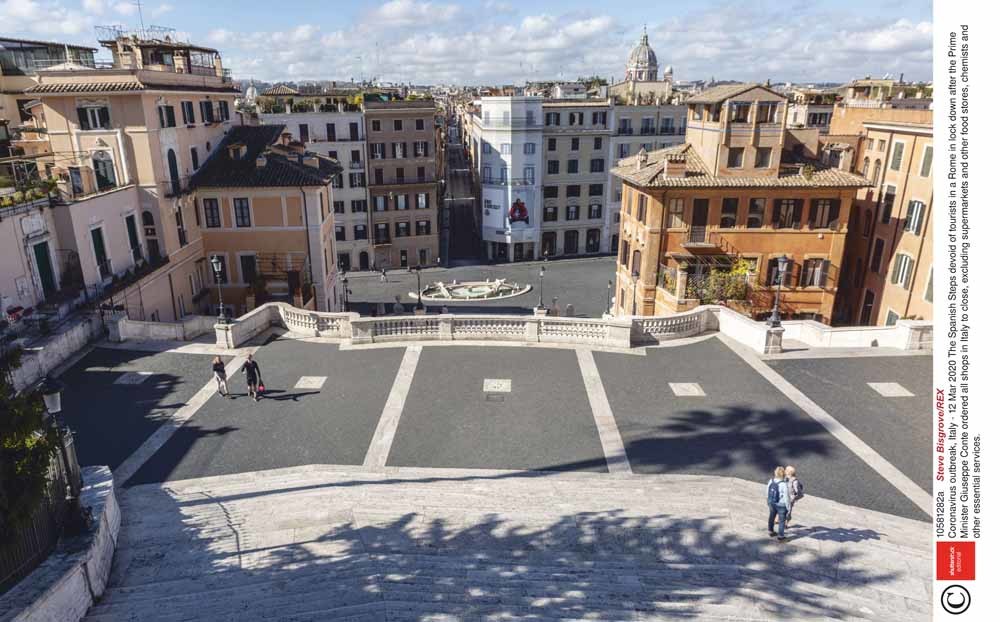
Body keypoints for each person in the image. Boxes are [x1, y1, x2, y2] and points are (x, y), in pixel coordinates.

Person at [766, 466, 791, 541]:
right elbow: (786, 497)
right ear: (783, 474)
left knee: (771, 516)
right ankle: (780, 536)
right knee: (782, 520)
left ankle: (770, 531)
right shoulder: (784, 484)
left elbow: (767, 491)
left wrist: (768, 500)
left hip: (772, 502)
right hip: (781, 504)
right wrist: (788, 507)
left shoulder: (771, 481)